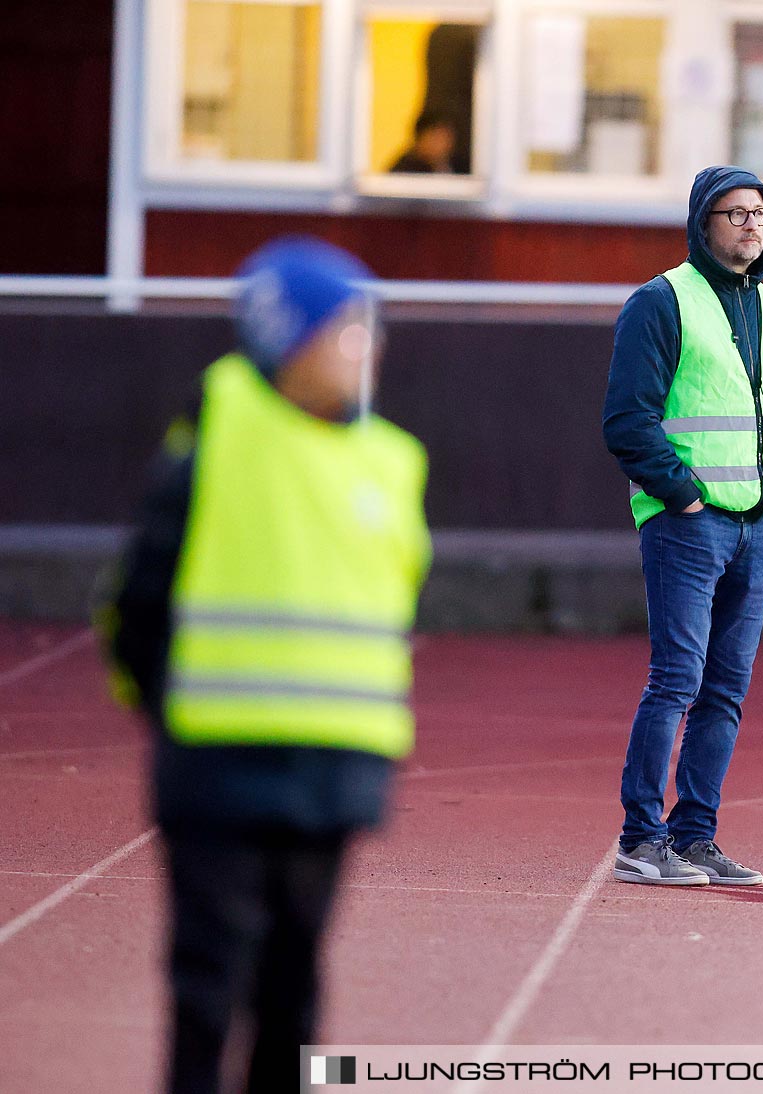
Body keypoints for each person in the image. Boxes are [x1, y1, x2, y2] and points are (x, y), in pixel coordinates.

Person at [101, 237, 430, 1094]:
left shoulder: (393, 461)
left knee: (296, 986)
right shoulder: (218, 435)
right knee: (208, 984)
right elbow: (142, 594)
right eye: (347, 330)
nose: (369, 348)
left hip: (334, 770)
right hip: (219, 765)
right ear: (286, 340)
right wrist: (170, 709)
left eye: (371, 328)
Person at [603, 166, 763, 886]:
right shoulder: (662, 302)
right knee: (677, 680)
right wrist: (682, 495)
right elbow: (627, 420)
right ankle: (641, 838)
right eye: (734, 214)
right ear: (703, 223)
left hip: (758, 526)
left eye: (758, 213)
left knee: (726, 689)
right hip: (688, 527)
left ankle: (695, 838)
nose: (750, 225)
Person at [388, 109, 457, 174]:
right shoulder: (404, 170)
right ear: (420, 139)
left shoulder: (458, 165)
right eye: (436, 137)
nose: (443, 144)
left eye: (447, 137)